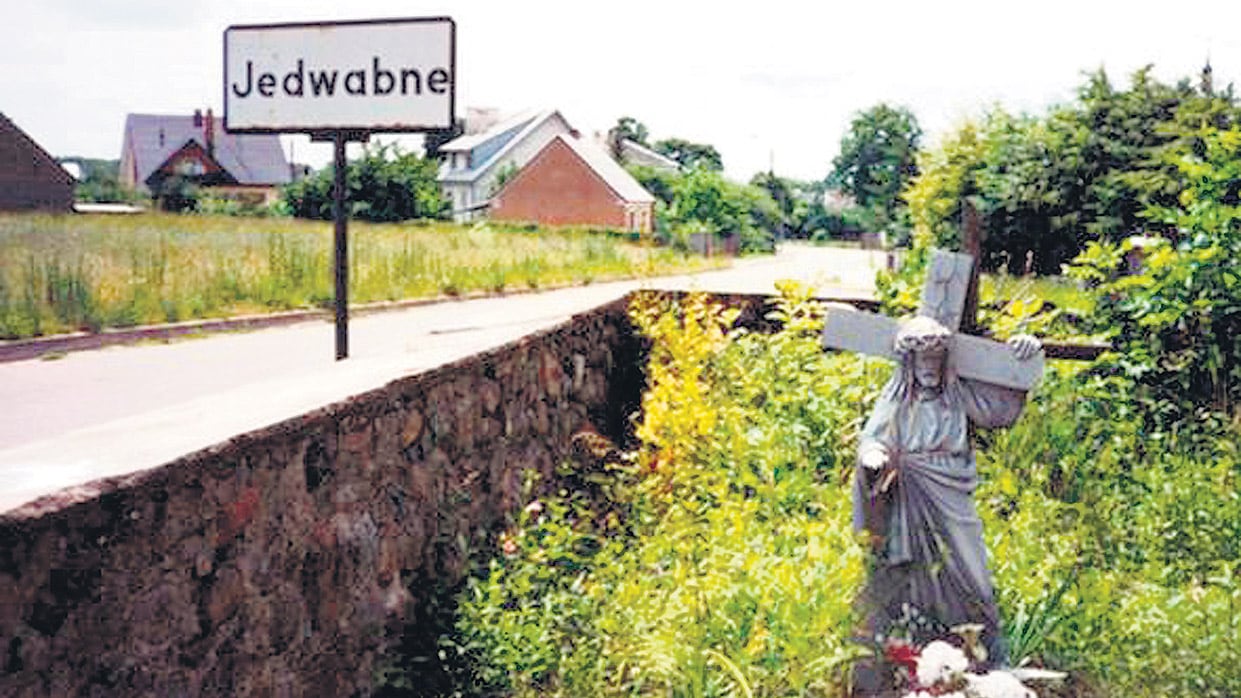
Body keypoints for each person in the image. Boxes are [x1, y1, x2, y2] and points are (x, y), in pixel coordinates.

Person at [853, 315, 1041, 668]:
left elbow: (998, 413)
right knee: (906, 575)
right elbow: (874, 438)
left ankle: (987, 654)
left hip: (951, 494)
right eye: (922, 359)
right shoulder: (898, 399)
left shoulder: (955, 395)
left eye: (935, 358)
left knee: (971, 571)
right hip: (907, 496)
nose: (929, 367)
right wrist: (874, 456)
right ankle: (907, 654)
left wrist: (1020, 364)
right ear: (909, 363)